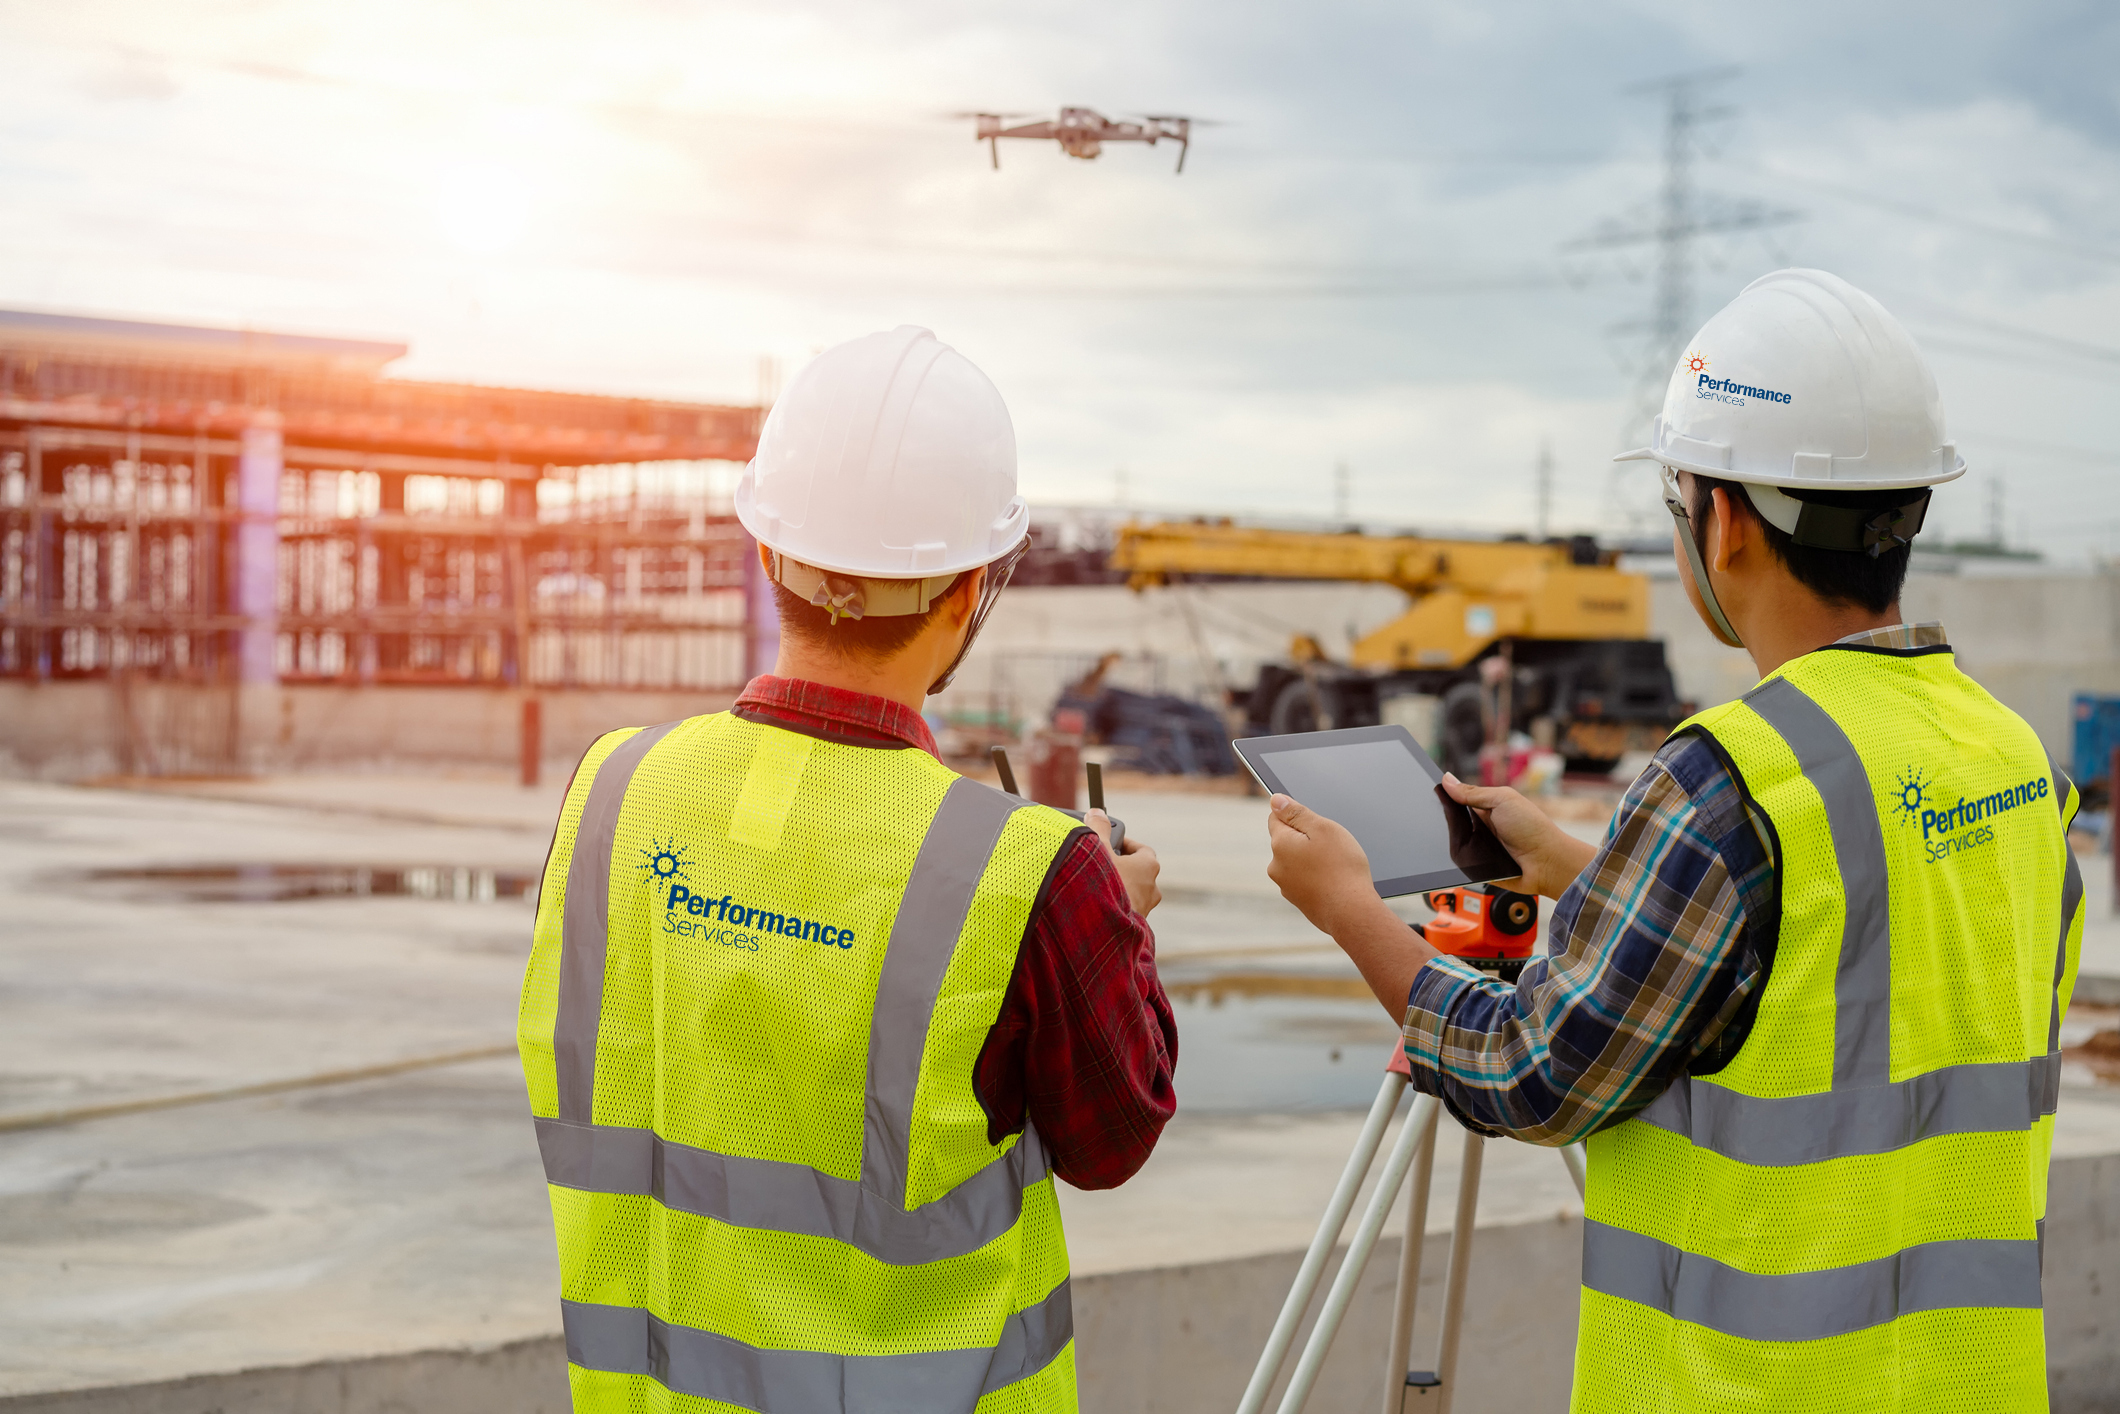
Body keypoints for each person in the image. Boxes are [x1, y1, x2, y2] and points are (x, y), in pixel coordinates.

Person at [1264, 270, 2083, 1411]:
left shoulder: (1726, 778)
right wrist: (1584, 869)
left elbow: (1525, 1072)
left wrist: (1347, 907)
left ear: (1724, 521)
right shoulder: (2015, 766)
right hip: (1964, 1383)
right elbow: (1840, 981)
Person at [518, 326, 1174, 1413]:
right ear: (970, 590)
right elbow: (1110, 1140)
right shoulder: (1031, 871)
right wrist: (1120, 922)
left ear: (766, 553)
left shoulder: (612, 790)